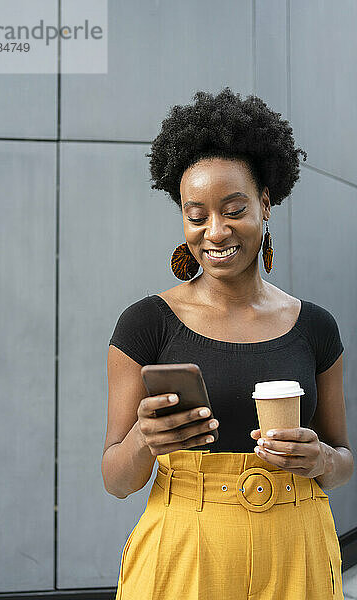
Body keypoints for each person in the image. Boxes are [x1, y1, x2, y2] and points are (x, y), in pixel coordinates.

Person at [101, 87, 354, 600]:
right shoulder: (146, 324)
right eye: (197, 216)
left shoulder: (317, 328)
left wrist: (321, 460)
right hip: (184, 552)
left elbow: (344, 459)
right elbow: (116, 479)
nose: (215, 231)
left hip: (296, 549)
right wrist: (147, 439)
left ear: (264, 204)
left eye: (234, 209)